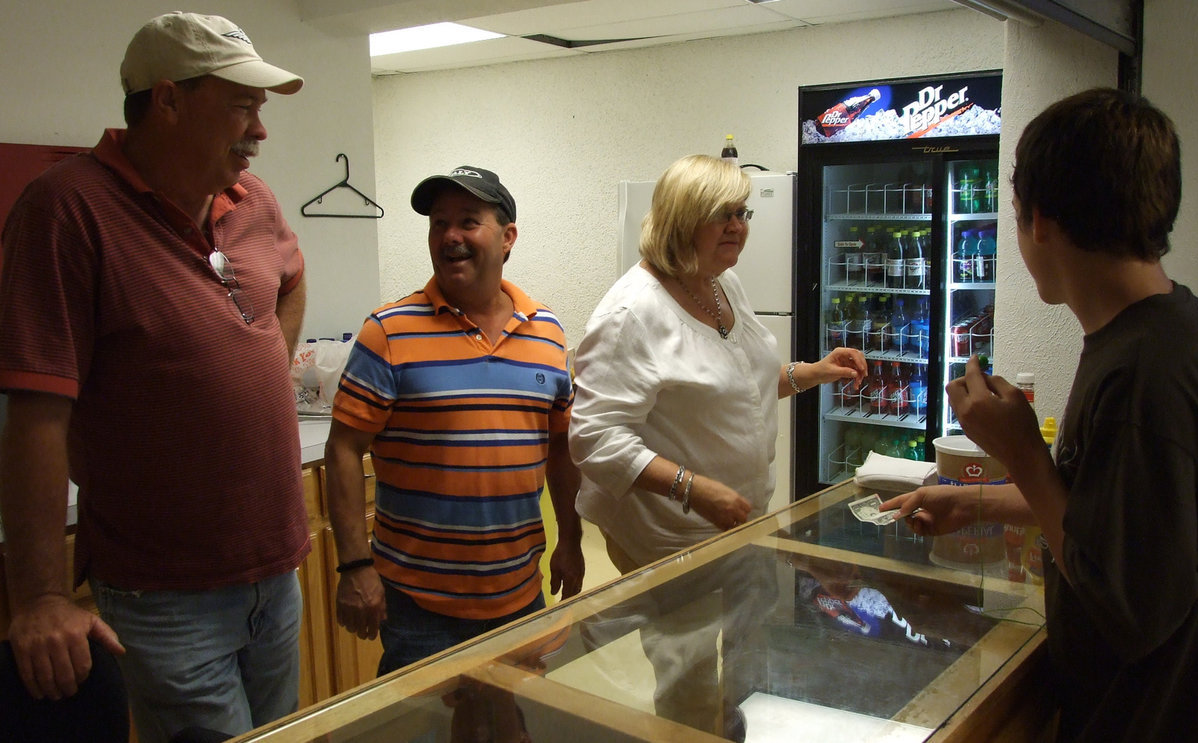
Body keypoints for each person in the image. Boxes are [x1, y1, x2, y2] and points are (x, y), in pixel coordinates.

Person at [0, 12, 309, 742]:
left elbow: (291, 277)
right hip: (168, 593)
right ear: (167, 100)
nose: (259, 128)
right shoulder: (66, 209)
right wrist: (40, 595)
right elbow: (35, 412)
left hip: (276, 571)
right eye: (242, 103)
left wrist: (260, 347)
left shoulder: (253, 200)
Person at [882, 88, 1198, 742]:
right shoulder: (1160, 332)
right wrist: (972, 500)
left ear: (1041, 223)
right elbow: (1109, 511)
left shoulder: (1141, 374)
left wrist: (1020, 447)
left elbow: (1126, 606)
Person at [568, 154, 866, 736]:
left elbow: (741, 384)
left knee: (747, 654)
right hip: (671, 534)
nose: (738, 226)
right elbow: (594, 437)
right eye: (721, 214)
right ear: (683, 219)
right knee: (690, 677)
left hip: (740, 521)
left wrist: (812, 372)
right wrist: (691, 488)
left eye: (742, 212)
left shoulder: (719, 283)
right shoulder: (632, 313)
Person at [325, 165, 584, 675]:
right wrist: (355, 566)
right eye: (438, 223)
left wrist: (571, 541)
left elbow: (561, 450)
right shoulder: (388, 332)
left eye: (468, 221)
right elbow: (343, 449)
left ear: (508, 238)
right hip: (420, 607)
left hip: (520, 596)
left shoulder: (547, 332)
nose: (450, 237)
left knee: (517, 728)